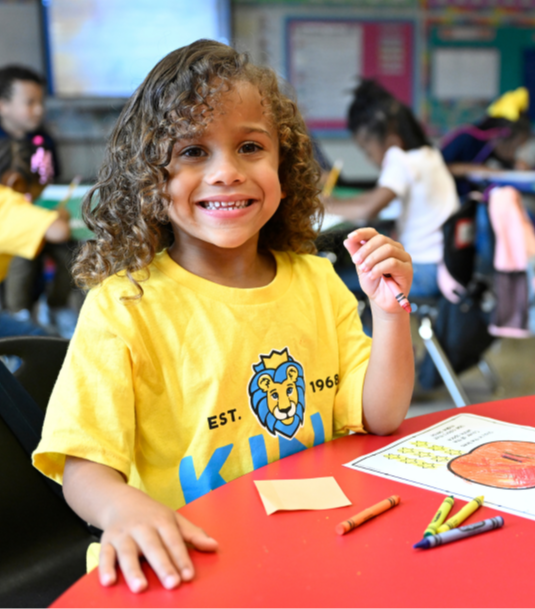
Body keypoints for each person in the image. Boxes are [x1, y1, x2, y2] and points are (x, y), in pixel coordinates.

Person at [32, 40, 414, 594]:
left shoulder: (317, 282)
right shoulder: (124, 306)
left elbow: (380, 415)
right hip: (187, 564)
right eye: (192, 152)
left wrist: (390, 312)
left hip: (314, 552)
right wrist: (123, 511)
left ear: (284, 164)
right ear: (149, 178)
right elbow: (82, 466)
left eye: (251, 147)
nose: (226, 173)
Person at [325, 79, 459, 298]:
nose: (370, 159)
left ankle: (367, 332)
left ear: (391, 140)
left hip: (421, 270)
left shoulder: (399, 159)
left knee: (333, 280)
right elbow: (376, 198)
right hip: (443, 265)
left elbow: (367, 209)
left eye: (367, 151)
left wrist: (328, 205)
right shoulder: (429, 155)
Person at [0, 64, 77, 338]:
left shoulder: (44, 140)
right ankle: (17, 315)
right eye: (29, 103)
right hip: (13, 223)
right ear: (3, 105)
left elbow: (51, 178)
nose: (38, 109)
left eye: (40, 102)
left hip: (44, 213)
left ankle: (57, 307)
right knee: (25, 256)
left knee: (70, 252)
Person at [0, 180, 70, 337]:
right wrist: (61, 216)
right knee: (36, 338)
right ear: (13, 180)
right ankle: (22, 314)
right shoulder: (5, 203)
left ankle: (23, 313)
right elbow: (59, 231)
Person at [440, 87, 531, 198]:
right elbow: (442, 167)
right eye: (516, 146)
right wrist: (479, 170)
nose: (516, 151)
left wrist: (516, 164)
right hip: (448, 200)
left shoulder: (491, 146)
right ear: (502, 136)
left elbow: (505, 160)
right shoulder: (466, 136)